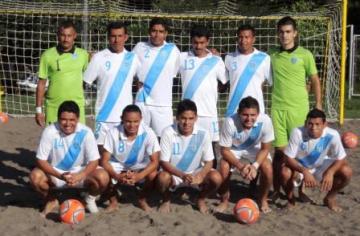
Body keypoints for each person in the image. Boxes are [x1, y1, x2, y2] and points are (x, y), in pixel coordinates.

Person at [270, 16, 322, 198]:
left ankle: (302, 190)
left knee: (300, 152)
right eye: (281, 32)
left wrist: (319, 105)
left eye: (288, 32)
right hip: (277, 110)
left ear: (295, 33)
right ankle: (276, 190)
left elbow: (315, 80)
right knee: (279, 154)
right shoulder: (272, 55)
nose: (285, 35)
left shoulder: (305, 55)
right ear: (277, 34)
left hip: (299, 110)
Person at [29, 101, 109, 216]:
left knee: (103, 177)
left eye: (72, 120)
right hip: (57, 173)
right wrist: (60, 176)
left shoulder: (86, 132)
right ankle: (52, 200)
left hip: (79, 173)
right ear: (58, 118)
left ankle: (88, 199)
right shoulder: (50, 131)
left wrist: (80, 176)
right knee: (35, 177)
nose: (67, 123)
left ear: (78, 119)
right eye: (63, 119)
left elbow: (94, 160)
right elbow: (40, 160)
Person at [156, 99, 222, 214]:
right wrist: (182, 175)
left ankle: (200, 199)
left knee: (216, 178)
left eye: (191, 118)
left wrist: (201, 175)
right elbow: (164, 162)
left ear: (196, 118)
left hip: (196, 173)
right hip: (175, 174)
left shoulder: (204, 133)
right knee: (162, 178)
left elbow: (209, 161)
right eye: (183, 118)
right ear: (177, 117)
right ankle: (166, 200)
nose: (187, 122)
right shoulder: (167, 132)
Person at [83, 22, 140, 152]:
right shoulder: (98, 57)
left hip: (124, 116)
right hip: (103, 114)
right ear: (108, 37)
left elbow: (140, 81)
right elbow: (85, 82)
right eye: (113, 36)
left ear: (126, 37)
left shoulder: (133, 58)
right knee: (102, 153)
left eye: (120, 36)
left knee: (123, 153)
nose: (116, 40)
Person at [281, 108, 352, 212]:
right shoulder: (297, 132)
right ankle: (291, 200)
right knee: (284, 172)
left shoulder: (333, 134)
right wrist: (304, 171)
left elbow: (341, 158)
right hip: (300, 168)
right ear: (306, 123)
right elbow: (288, 158)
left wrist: (330, 172)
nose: (313, 128)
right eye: (310, 124)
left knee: (347, 171)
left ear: (324, 124)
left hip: (319, 166)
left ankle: (329, 198)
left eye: (317, 124)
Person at [216, 96, 274, 213]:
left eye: (253, 115)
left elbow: (265, 149)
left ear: (258, 114)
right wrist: (241, 166)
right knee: (223, 166)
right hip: (235, 148)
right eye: (245, 115)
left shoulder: (266, 120)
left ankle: (262, 200)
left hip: (255, 148)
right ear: (238, 113)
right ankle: (224, 200)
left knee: (267, 168)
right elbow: (225, 150)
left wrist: (254, 166)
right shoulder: (230, 122)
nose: (249, 118)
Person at [179, 25, 226, 167]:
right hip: (188, 114)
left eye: (202, 43)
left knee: (210, 150)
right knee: (185, 147)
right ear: (191, 41)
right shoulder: (182, 58)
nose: (198, 46)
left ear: (208, 42)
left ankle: (211, 184)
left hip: (208, 113)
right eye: (195, 42)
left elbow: (224, 85)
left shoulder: (216, 61)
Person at [100, 104, 160, 212]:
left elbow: (155, 161)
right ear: (122, 119)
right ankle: (113, 201)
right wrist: (117, 176)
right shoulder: (113, 132)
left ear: (141, 119)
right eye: (128, 121)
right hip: (118, 163)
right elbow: (104, 161)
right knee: (104, 173)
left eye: (136, 121)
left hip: (139, 163)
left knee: (153, 173)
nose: (132, 125)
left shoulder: (149, 133)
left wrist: (139, 176)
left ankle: (142, 199)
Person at [133, 17, 180, 138]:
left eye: (161, 31)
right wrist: (135, 81)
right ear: (149, 31)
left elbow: (179, 70)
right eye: (154, 30)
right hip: (142, 102)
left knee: (164, 139)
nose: (157, 34)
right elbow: (128, 69)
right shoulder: (139, 47)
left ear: (166, 33)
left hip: (162, 104)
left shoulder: (173, 50)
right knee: (139, 137)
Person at [36, 21, 89, 126]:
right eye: (63, 35)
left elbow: (89, 78)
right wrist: (38, 110)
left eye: (69, 35)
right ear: (58, 35)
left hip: (77, 106)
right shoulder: (47, 55)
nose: (66, 39)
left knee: (77, 140)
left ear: (75, 36)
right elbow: (41, 84)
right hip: (53, 107)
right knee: (53, 140)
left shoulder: (83, 55)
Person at [225, 24, 272, 116]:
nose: (243, 41)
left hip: (255, 111)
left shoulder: (264, 58)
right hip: (234, 110)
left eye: (247, 37)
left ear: (253, 39)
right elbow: (225, 84)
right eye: (240, 37)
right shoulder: (229, 58)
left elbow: (268, 83)